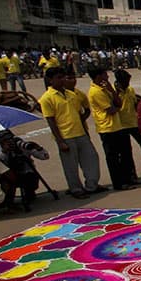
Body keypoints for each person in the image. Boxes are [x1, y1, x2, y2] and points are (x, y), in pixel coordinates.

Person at [39, 67, 104, 199]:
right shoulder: (47, 98)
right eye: (58, 78)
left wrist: (84, 127)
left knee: (91, 159)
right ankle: (76, 188)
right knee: (70, 165)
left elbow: (81, 112)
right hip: (65, 135)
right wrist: (60, 141)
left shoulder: (72, 95)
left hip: (80, 132)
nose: (62, 80)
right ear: (50, 80)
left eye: (63, 77)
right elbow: (51, 121)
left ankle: (92, 185)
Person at [88, 67, 137, 191]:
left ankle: (127, 179)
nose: (107, 76)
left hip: (117, 126)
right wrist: (116, 106)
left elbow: (118, 104)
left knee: (125, 153)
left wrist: (111, 90)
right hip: (107, 128)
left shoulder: (105, 89)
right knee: (113, 158)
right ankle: (119, 183)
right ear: (99, 76)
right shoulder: (96, 92)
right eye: (105, 74)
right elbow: (111, 110)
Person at [0, 129, 49, 211]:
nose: (10, 141)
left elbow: (45, 157)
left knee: (30, 185)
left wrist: (37, 147)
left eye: (10, 138)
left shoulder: (21, 145)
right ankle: (8, 201)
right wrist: (4, 152)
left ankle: (29, 192)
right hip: (7, 177)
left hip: (26, 174)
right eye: (5, 140)